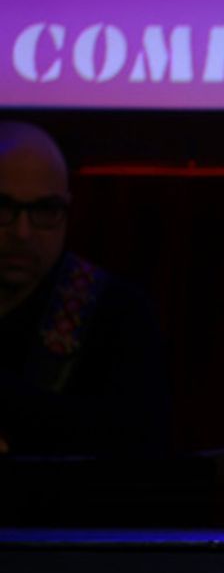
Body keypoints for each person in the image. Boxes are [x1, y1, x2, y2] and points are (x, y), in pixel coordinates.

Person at [0, 121, 169, 460]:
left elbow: (139, 456)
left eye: (45, 211)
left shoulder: (118, 316)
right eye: (2, 208)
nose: (22, 232)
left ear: (67, 210)